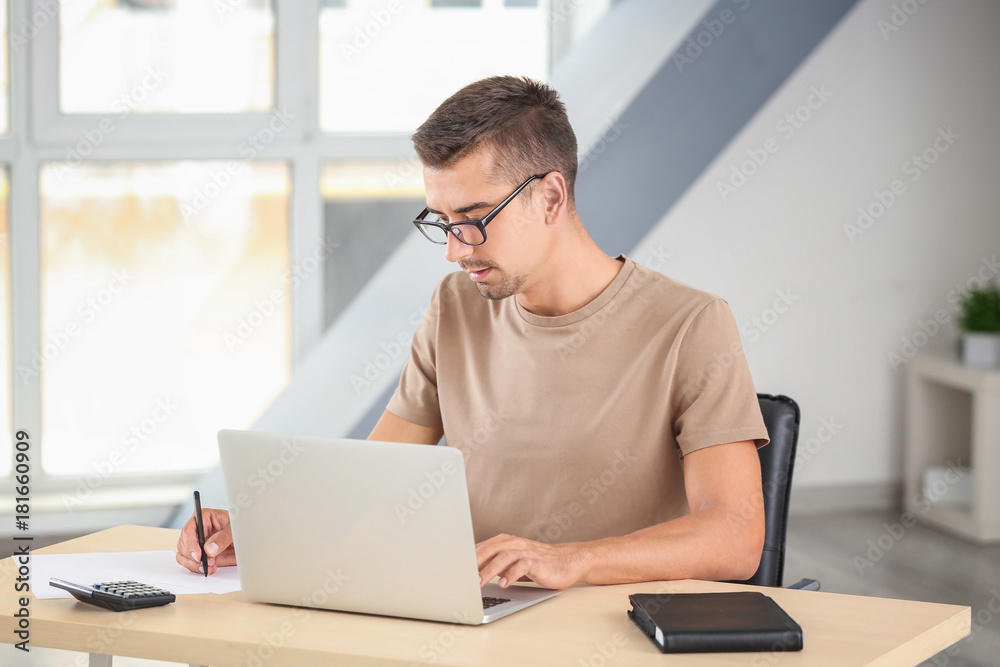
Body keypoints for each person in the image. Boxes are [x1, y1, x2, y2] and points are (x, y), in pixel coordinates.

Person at [177, 76, 770, 589]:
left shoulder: (691, 324)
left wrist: (568, 561)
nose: (456, 250)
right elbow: (371, 477)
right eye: (443, 223)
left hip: (618, 629)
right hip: (480, 623)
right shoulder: (456, 307)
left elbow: (737, 537)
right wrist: (259, 527)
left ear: (550, 196)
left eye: (475, 220)